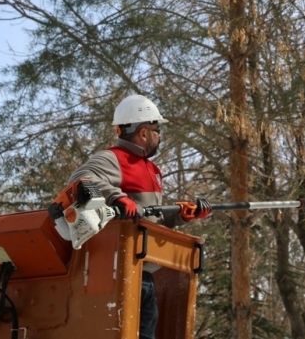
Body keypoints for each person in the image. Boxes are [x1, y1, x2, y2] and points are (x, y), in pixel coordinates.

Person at [67, 94, 211, 339]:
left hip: (145, 273)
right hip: (115, 273)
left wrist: (183, 216)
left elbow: (147, 220)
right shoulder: (112, 158)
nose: (160, 136)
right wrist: (116, 197)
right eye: (157, 129)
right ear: (143, 132)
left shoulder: (152, 170)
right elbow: (79, 180)